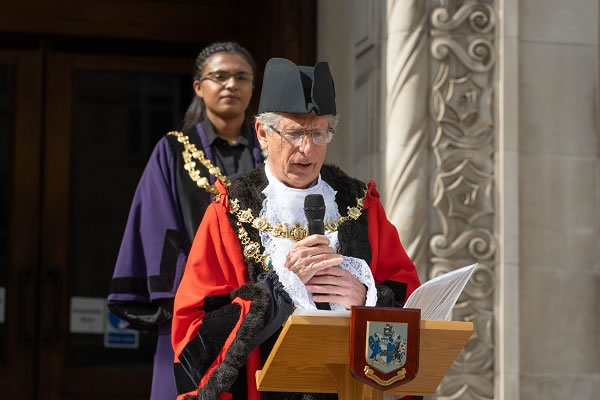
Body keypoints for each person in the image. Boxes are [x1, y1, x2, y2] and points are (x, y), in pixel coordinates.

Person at [171, 58, 421, 400]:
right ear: (262, 133)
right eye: (295, 133)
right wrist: (279, 291)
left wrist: (366, 301)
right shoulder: (230, 212)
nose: (308, 148)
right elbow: (194, 333)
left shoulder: (360, 205)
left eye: (319, 132)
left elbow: (412, 302)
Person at [107, 41, 263, 400]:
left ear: (253, 87)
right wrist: (196, 288)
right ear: (199, 86)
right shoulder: (173, 150)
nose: (231, 85)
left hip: (259, 303)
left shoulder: (269, 152)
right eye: (220, 76)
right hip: (194, 302)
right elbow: (156, 226)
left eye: (242, 77)